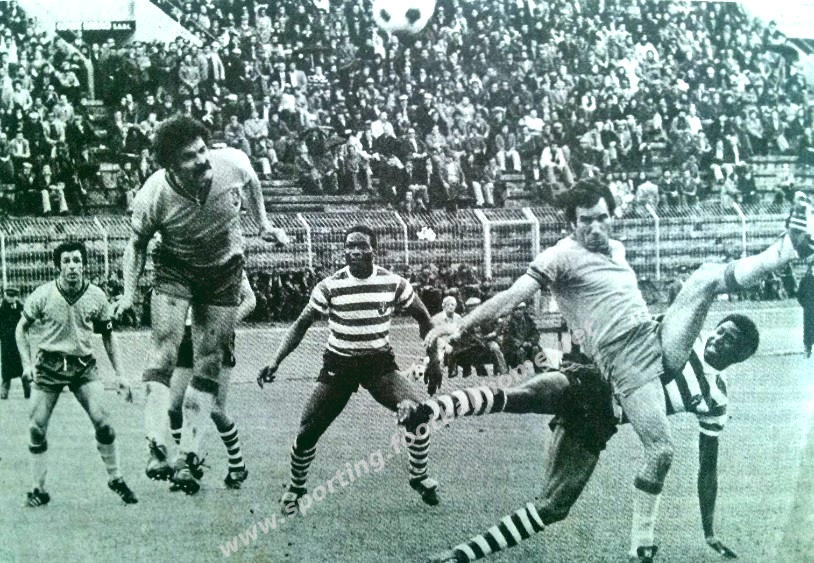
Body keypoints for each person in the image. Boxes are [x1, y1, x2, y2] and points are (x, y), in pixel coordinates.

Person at [422, 180, 813, 561]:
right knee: (616, 470)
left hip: (655, 338)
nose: (596, 228)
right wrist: (461, 327)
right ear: (571, 222)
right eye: (586, 220)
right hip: (625, 363)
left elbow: (708, 463)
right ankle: (462, 553)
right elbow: (512, 296)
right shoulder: (560, 256)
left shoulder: (618, 249)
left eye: (602, 218)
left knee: (706, 275)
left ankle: (785, 250)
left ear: (612, 216)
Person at [113, 115, 288, 494]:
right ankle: (156, 447)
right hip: (175, 267)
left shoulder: (232, 163)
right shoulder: (154, 194)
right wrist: (128, 294)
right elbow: (136, 245)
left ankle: (189, 457)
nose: (202, 160)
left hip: (224, 269)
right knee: (163, 351)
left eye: (202, 150)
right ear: (170, 166)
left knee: (208, 361)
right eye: (189, 156)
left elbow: (252, 182)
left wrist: (263, 224)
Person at [257, 225, 444, 513]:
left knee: (418, 413)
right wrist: (275, 360)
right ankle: (295, 487)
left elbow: (424, 318)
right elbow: (300, 325)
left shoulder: (393, 283)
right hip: (339, 364)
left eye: (361, 246)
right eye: (350, 246)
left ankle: (419, 477)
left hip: (378, 364)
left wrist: (434, 360)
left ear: (374, 250)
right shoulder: (330, 286)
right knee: (308, 431)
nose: (355, 251)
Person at [16, 241, 137, 507]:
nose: (72, 266)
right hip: (49, 366)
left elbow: (108, 336)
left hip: (82, 366)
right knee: (36, 428)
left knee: (103, 423)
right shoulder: (43, 294)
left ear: (84, 265)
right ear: (58, 266)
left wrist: (121, 374)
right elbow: (21, 328)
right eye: (67, 261)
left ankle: (116, 478)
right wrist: (26, 365)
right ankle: (38, 489)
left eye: (77, 261)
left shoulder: (96, 296)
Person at [167, 272, 255, 489]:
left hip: (216, 335)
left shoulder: (227, 261)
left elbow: (250, 299)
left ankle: (237, 464)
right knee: (174, 407)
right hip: (186, 335)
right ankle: (188, 464)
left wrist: (225, 323)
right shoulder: (180, 261)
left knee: (215, 408)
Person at [0, 285, 29, 399]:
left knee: (22, 366)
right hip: (7, 343)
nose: (11, 298)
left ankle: (27, 391)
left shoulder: (21, 308)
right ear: (5, 295)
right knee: (6, 369)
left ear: (17, 296)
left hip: (19, 342)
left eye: (13, 296)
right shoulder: (2, 308)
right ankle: (4, 392)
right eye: (9, 295)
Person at [797, 263, 814, 357]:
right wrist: (806, 304)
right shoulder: (805, 280)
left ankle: (807, 350)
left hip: (808, 308)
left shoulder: (804, 280)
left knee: (808, 329)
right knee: (808, 329)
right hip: (809, 309)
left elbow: (799, 296)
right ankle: (807, 349)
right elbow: (799, 295)